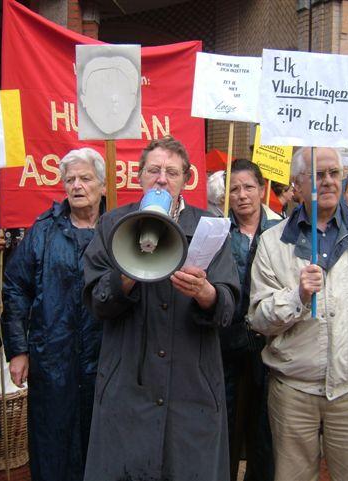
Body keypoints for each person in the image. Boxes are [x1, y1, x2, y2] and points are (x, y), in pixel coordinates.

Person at [82, 136, 239, 481]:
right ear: (138, 176)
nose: (162, 179)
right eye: (153, 170)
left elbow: (228, 306)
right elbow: (95, 299)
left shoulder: (209, 227)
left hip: (191, 389)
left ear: (186, 179)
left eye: (172, 171)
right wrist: (126, 276)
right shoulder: (113, 225)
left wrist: (206, 293)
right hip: (128, 388)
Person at [248, 146, 348, 481]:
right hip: (294, 393)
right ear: (297, 185)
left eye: (335, 173)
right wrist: (298, 295)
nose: (330, 181)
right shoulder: (273, 241)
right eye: (318, 175)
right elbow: (259, 319)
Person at [2, 148, 106, 481]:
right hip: (52, 360)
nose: (77, 185)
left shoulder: (116, 229)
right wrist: (18, 350)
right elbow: (16, 288)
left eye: (85, 178)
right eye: (70, 179)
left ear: (103, 185)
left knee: (100, 443)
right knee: (53, 444)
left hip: (104, 359)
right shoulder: (43, 231)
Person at [223, 159, 277, 481]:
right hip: (227, 343)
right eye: (234, 188)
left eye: (248, 187)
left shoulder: (280, 231)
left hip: (267, 343)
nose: (241, 195)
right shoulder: (217, 230)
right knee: (228, 423)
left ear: (261, 189)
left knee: (264, 428)